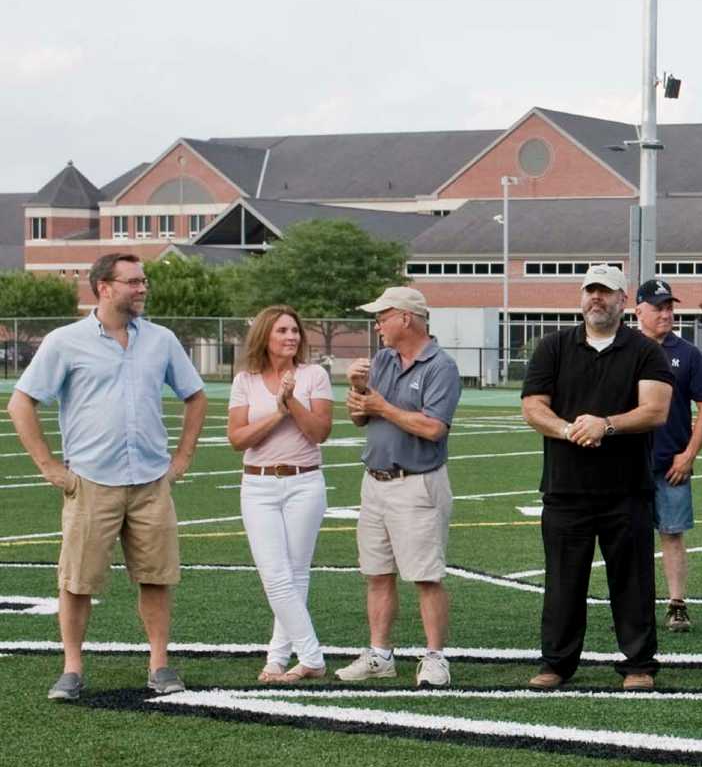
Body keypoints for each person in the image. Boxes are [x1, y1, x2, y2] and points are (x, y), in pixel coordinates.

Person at [8, 253, 206, 701]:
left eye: (144, 281)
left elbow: (195, 396)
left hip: (152, 481)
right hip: (91, 481)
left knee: (156, 576)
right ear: (104, 287)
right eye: (133, 282)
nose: (142, 288)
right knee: (77, 580)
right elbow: (21, 404)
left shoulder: (161, 340)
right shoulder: (65, 341)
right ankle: (72, 668)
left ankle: (159, 664)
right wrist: (49, 467)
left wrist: (183, 458)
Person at [520, 265, 673, 690]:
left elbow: (656, 410)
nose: (597, 299)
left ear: (623, 301)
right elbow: (533, 406)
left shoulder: (644, 350)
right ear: (581, 296)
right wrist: (569, 429)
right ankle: (556, 664)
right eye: (591, 290)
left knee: (633, 581)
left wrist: (605, 424)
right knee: (563, 582)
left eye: (606, 292)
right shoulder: (553, 347)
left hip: (627, 491)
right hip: (565, 489)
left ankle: (639, 665)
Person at [334, 286, 462, 686]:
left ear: (406, 318)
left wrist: (380, 406)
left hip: (417, 483)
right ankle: (379, 655)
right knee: (376, 573)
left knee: (426, 576)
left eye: (382, 316)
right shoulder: (383, 360)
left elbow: (433, 427)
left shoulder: (441, 366)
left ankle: (436, 658)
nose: (377, 325)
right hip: (375, 482)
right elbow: (360, 417)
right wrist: (356, 390)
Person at [226, 305, 335, 683]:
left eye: (295, 330)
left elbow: (320, 432)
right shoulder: (245, 380)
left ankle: (278, 659)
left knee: (295, 573)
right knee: (274, 574)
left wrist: (291, 401)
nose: (291, 337)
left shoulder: (314, 375)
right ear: (265, 337)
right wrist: (276, 413)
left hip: (304, 482)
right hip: (257, 485)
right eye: (282, 331)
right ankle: (311, 656)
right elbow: (237, 439)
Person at [636, 279, 702, 632]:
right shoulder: (622, 349)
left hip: (672, 463)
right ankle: (634, 608)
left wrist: (688, 454)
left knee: (672, 535)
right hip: (629, 464)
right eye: (659, 307)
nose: (667, 314)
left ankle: (677, 605)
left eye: (670, 307)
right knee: (630, 539)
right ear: (638, 310)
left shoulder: (687, 353)